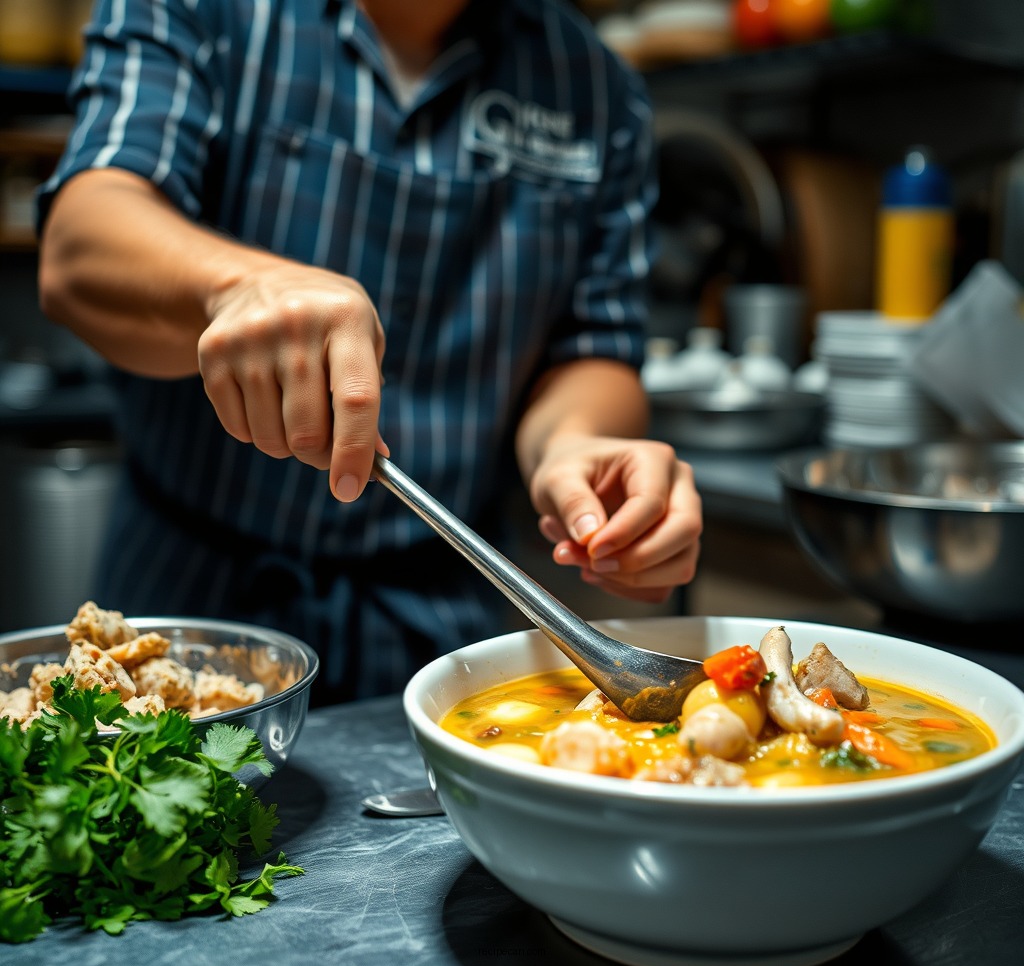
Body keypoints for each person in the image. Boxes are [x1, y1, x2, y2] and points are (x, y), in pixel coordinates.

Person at [36, 0, 703, 704]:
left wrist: (573, 445)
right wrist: (238, 286)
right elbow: (80, 247)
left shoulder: (598, 88)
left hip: (433, 618)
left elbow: (594, 345)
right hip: (189, 602)